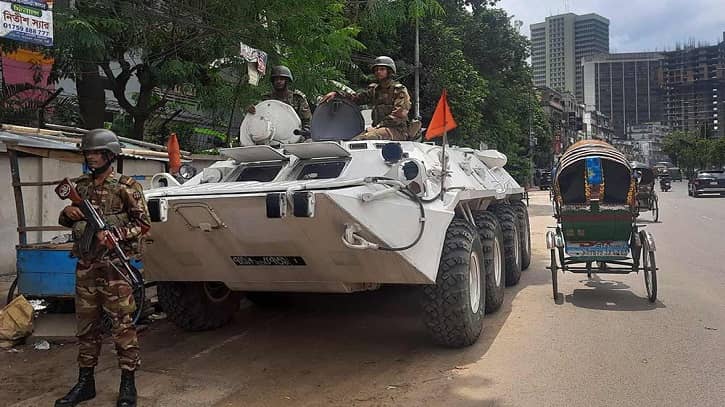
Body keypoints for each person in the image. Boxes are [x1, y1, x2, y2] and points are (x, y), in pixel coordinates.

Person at [55, 129, 150, 407]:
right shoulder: (80, 185)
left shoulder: (126, 186)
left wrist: (115, 235)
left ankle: (127, 385)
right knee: (86, 327)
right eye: (89, 153)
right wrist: (69, 213)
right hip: (86, 267)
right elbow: (66, 220)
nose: (92, 157)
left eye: (97, 153)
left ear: (110, 155)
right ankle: (85, 383)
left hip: (114, 270)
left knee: (123, 327)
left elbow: (143, 224)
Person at [321, 56, 411, 141]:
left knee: (365, 138)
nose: (378, 72)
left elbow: (399, 115)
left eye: (382, 69)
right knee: (352, 140)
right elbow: (356, 99)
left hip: (397, 131)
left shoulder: (399, 90)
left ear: (389, 71)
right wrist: (337, 94)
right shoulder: (375, 90)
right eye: (376, 70)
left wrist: (379, 126)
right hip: (378, 129)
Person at [247, 65, 312, 136]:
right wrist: (252, 110)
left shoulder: (297, 98)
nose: (278, 81)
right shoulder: (266, 99)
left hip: (293, 136)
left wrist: (302, 134)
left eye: (281, 79)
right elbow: (257, 117)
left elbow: (307, 122)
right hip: (270, 136)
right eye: (276, 79)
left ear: (287, 81)